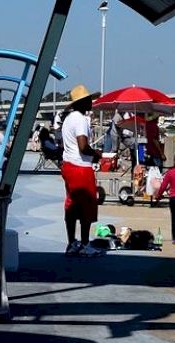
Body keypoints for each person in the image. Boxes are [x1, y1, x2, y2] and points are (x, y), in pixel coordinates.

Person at [59, 85, 103, 257]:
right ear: (82, 102)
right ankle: (85, 244)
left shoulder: (68, 119)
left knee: (71, 205)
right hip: (81, 167)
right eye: (89, 100)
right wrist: (96, 153)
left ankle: (71, 242)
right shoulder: (80, 120)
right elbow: (83, 147)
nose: (91, 103)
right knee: (87, 206)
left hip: (69, 165)